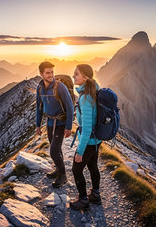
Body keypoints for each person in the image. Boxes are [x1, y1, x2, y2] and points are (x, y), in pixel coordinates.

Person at [70, 64, 102, 211]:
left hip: (89, 141)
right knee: (92, 166)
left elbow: (87, 128)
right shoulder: (94, 90)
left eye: (76, 74)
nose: (73, 76)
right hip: (96, 140)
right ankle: (95, 194)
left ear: (85, 77)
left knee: (76, 169)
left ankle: (83, 200)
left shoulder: (85, 98)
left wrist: (80, 152)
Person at [36, 61, 74, 188]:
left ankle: (63, 175)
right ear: (41, 74)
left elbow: (70, 107)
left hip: (61, 123)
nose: (51, 75)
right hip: (49, 122)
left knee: (53, 151)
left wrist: (69, 127)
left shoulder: (60, 87)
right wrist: (37, 125)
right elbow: (39, 107)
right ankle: (58, 170)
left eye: (52, 72)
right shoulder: (40, 88)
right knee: (56, 150)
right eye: (47, 73)